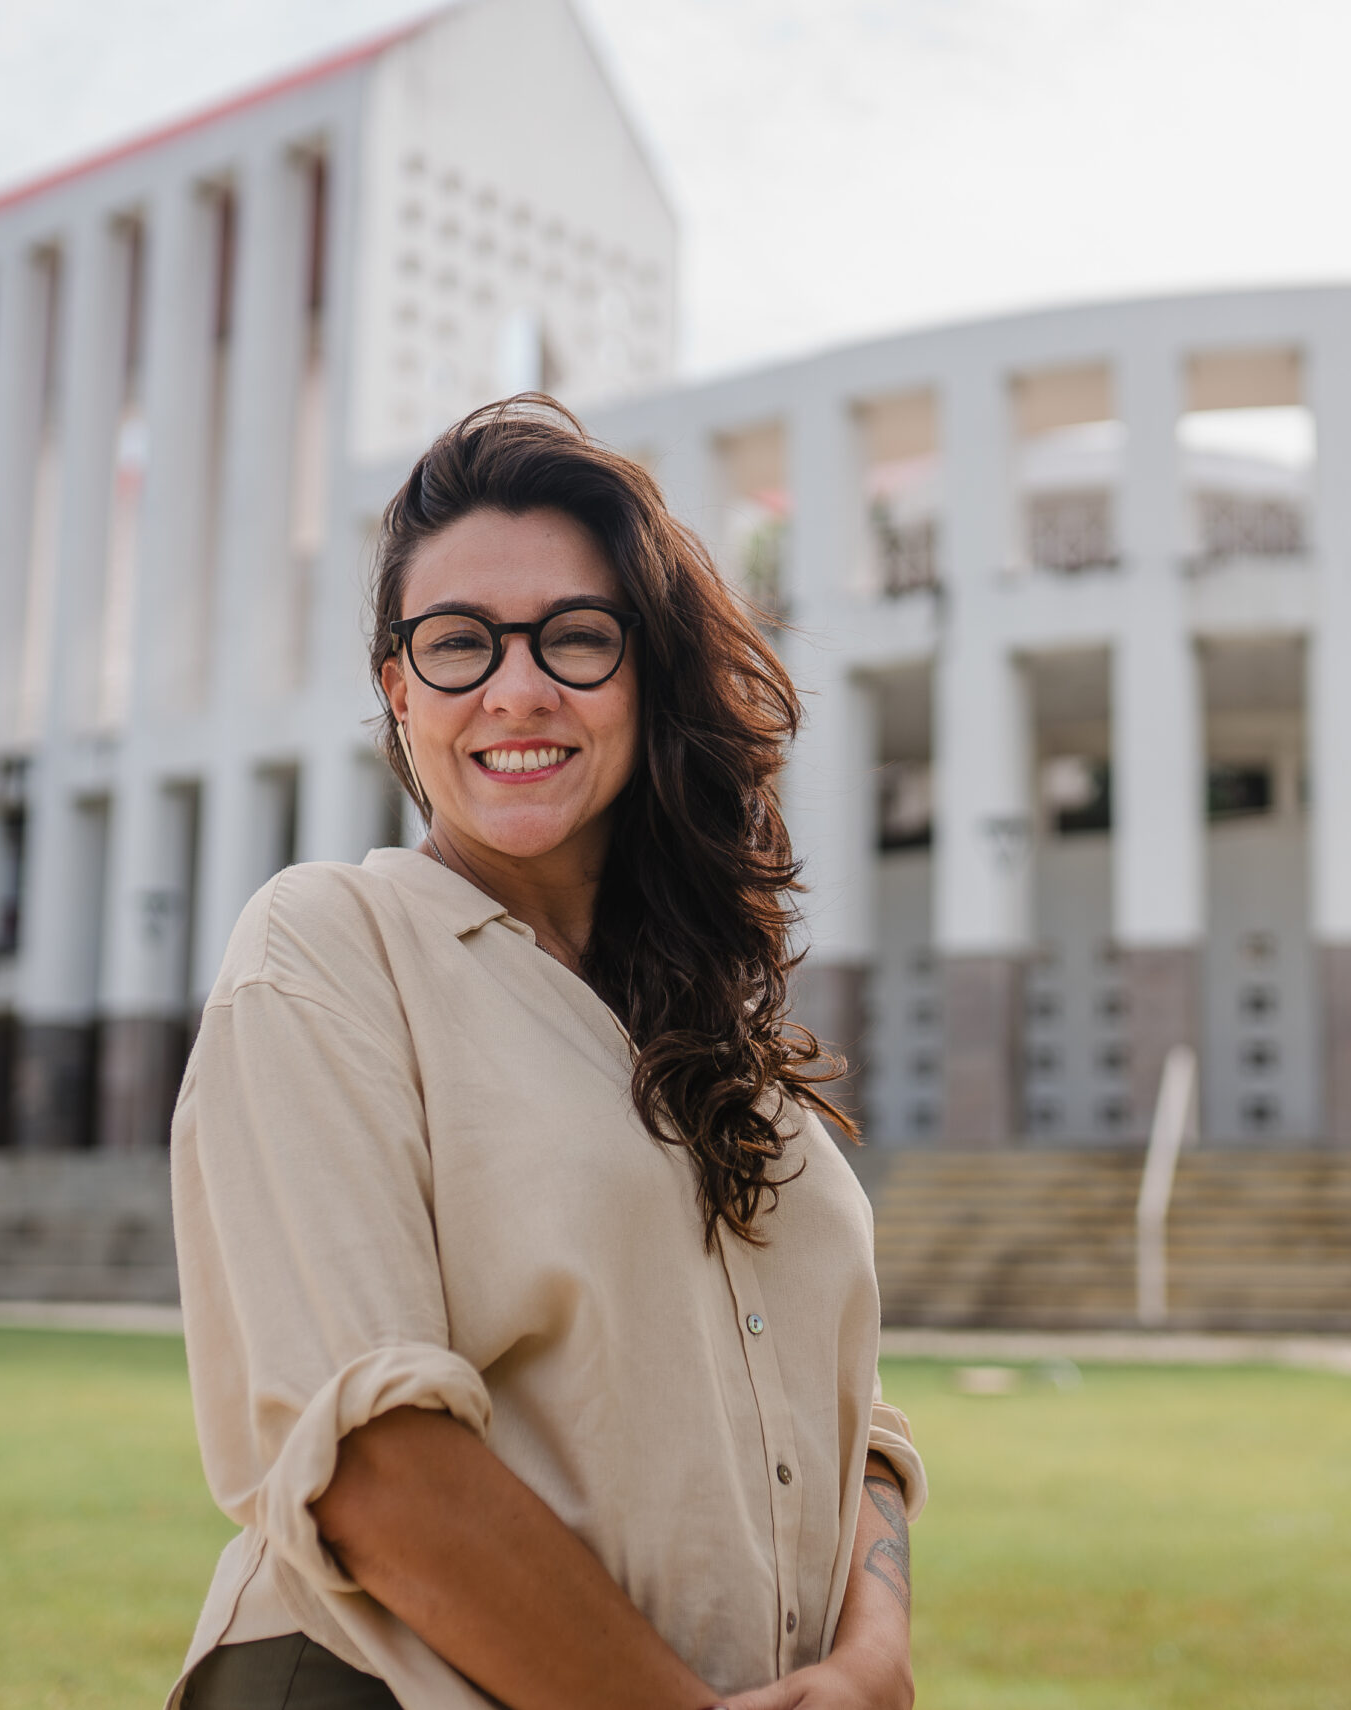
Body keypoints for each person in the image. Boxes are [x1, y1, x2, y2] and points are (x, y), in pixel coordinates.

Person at [167, 396, 924, 1710]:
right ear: (399, 691)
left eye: (575, 637)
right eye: (458, 643)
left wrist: (871, 1658)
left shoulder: (726, 1042)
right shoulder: (331, 947)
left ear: (644, 674)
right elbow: (375, 1461)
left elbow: (854, 1433)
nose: (517, 686)